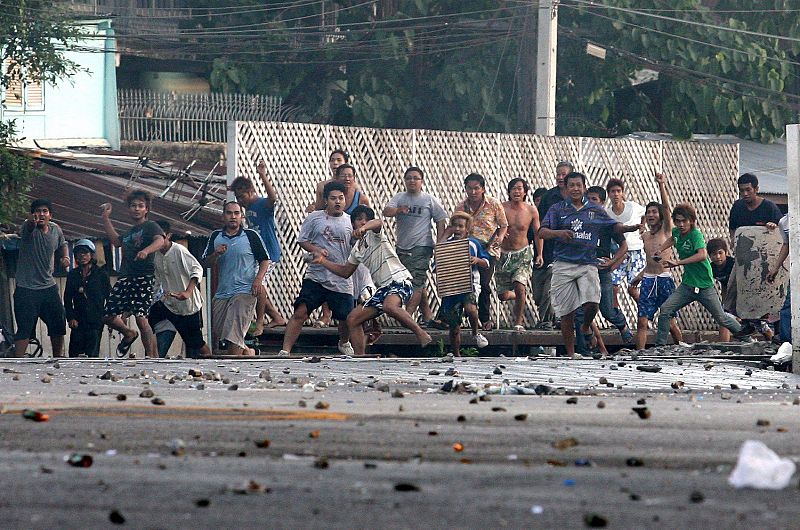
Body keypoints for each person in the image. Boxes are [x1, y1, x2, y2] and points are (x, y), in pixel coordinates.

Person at [539, 172, 641, 358]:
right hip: (563, 263)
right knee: (566, 312)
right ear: (567, 188)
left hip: (588, 263)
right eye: (572, 185)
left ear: (584, 187)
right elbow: (542, 232)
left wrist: (629, 228)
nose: (575, 189)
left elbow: (614, 227)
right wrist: (558, 233)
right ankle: (571, 354)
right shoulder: (557, 209)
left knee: (593, 303)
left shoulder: (595, 210)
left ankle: (586, 327)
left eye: (579, 185)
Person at [311, 205, 432, 355]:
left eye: (366, 219)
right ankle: (359, 356)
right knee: (353, 319)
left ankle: (421, 334)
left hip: (399, 280)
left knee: (390, 306)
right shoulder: (356, 250)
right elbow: (345, 271)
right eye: (359, 219)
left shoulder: (375, 235)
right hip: (383, 289)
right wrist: (323, 261)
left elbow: (378, 222)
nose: (363, 222)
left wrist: (365, 228)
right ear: (353, 223)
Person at [654, 203, 753, 346]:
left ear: (691, 221)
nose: (681, 224)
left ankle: (747, 338)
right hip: (688, 285)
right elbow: (672, 239)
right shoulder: (676, 232)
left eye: (684, 221)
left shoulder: (696, 235)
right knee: (665, 310)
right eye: (678, 221)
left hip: (704, 286)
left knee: (721, 318)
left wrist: (678, 262)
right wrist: (660, 249)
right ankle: (660, 346)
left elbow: (702, 254)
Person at [279, 181, 354, 357]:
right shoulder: (314, 217)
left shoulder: (350, 221)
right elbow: (302, 240)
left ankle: (344, 342)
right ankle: (285, 350)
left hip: (341, 276)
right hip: (316, 275)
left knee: (345, 317)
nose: (337, 202)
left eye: (341, 198)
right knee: (301, 311)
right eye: (333, 198)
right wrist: (315, 250)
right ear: (326, 200)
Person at [101, 190, 165, 358]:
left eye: (140, 206)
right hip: (126, 277)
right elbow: (116, 242)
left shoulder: (151, 226)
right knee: (108, 314)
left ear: (146, 209)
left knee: (141, 318)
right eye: (133, 206)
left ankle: (151, 357)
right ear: (129, 209)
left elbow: (160, 240)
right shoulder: (130, 232)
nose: (137, 209)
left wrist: (146, 250)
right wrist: (106, 218)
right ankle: (129, 333)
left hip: (143, 277)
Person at [202, 201, 270, 356]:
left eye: (236, 213)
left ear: (242, 216)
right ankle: (249, 352)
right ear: (223, 216)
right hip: (223, 292)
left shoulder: (251, 235)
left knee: (234, 335)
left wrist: (258, 279)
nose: (233, 216)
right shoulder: (216, 236)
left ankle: (232, 367)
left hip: (245, 291)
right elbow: (205, 263)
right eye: (229, 213)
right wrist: (216, 254)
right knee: (223, 332)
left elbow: (265, 260)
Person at [382, 166, 448, 325]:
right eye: (409, 178)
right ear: (405, 181)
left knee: (416, 282)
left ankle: (407, 316)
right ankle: (427, 316)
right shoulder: (400, 197)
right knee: (409, 280)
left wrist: (439, 243)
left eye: (416, 178)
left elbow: (440, 219)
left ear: (422, 181)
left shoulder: (428, 199)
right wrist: (398, 210)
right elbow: (386, 211)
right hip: (402, 246)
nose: (412, 181)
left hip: (422, 246)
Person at [573, 186, 634, 355]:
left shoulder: (607, 223)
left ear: (602, 202)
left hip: (602, 270)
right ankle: (585, 349)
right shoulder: (579, 221)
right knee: (580, 312)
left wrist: (612, 262)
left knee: (607, 310)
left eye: (594, 200)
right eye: (588, 199)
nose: (590, 203)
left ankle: (621, 324)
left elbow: (624, 246)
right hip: (584, 269)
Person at [230, 160, 287, 336]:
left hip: (269, 254)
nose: (240, 201)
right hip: (257, 254)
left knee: (258, 284)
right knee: (254, 285)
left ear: (251, 191)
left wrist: (262, 174)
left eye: (242, 197)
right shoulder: (246, 209)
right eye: (238, 198)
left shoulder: (261, 204)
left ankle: (260, 321)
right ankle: (277, 317)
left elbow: (273, 198)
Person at [630, 173, 683, 349]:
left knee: (670, 321)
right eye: (648, 212)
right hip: (648, 279)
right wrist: (639, 276)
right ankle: (640, 353)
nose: (651, 214)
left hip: (664, 279)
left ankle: (681, 346)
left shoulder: (667, 231)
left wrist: (661, 185)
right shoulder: (645, 236)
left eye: (654, 212)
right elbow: (649, 262)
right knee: (642, 320)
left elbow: (667, 209)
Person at [12, 199, 70, 357]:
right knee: (24, 327)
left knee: (58, 322)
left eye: (44, 211)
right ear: (32, 214)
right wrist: (32, 220)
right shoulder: (28, 227)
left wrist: (65, 257)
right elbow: (29, 225)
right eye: (37, 211)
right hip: (26, 288)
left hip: (48, 287)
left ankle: (58, 358)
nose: (41, 214)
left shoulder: (55, 229)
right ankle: (18, 360)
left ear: (50, 215)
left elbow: (63, 243)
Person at [727, 173, 782, 336]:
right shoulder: (737, 207)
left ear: (756, 189)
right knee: (733, 291)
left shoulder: (770, 207)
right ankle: (746, 322)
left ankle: (772, 328)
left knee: (767, 294)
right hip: (744, 259)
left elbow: (781, 233)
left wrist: (772, 227)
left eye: (748, 190)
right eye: (742, 190)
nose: (745, 194)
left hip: (765, 260)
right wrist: (733, 241)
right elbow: (733, 229)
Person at [150, 221, 212, 358]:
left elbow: (197, 269)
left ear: (168, 236)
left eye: (161, 238)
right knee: (150, 321)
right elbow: (157, 279)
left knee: (195, 342)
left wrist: (188, 292)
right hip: (169, 303)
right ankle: (156, 357)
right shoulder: (156, 255)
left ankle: (209, 360)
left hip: (188, 307)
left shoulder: (178, 250)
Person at [454, 173, 508, 331]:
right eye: (469, 188)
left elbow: (503, 225)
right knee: (463, 282)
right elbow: (455, 226)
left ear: (483, 189)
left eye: (476, 188)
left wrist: (500, 238)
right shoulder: (462, 206)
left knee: (484, 282)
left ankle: (485, 318)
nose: (473, 192)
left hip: (488, 248)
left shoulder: (493, 204)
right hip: (468, 248)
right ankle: (450, 317)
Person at [437, 212, 491, 356]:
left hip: (470, 283)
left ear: (467, 229)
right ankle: (456, 355)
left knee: (471, 308)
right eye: (454, 226)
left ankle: (475, 333)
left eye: (461, 226)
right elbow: (437, 264)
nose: (457, 229)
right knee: (454, 327)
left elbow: (486, 262)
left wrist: (476, 260)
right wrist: (443, 237)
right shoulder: (445, 245)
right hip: (451, 287)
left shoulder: (473, 244)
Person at [498, 178, 542, 331]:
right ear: (509, 192)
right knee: (502, 295)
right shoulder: (501, 208)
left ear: (525, 192)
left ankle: (518, 322)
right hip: (504, 255)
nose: (516, 191)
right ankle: (518, 295)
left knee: (520, 284)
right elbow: (492, 226)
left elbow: (537, 233)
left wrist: (539, 254)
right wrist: (500, 233)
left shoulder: (531, 210)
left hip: (523, 253)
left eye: (519, 188)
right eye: (513, 189)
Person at [532, 161, 572, 329]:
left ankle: (548, 321)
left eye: (564, 174)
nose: (560, 177)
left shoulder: (578, 197)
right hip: (548, 248)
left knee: (553, 287)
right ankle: (553, 317)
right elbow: (540, 226)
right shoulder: (549, 197)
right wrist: (540, 252)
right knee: (538, 293)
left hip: (569, 252)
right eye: (558, 174)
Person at [64, 239, 110, 357]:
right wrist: (70, 317)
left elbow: (109, 295)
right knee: (74, 354)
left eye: (85, 253)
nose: (82, 256)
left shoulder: (100, 274)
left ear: (91, 255)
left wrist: (107, 315)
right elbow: (67, 299)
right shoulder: (73, 275)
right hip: (78, 320)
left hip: (95, 319)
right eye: (79, 253)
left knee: (92, 355)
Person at [606, 178, 646, 306]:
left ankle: (646, 313)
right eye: (613, 191)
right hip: (619, 254)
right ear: (609, 194)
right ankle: (617, 318)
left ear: (622, 193)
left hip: (635, 252)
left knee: (633, 288)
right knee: (612, 285)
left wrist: (642, 226)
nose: (616, 194)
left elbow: (645, 213)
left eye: (618, 191)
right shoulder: (608, 213)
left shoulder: (633, 207)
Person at [767, 213, 790, 343]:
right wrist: (775, 268)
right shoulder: (784, 222)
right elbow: (787, 245)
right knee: (788, 305)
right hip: (797, 271)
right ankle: (787, 342)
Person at [708, 238, 735, 341]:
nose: (718, 257)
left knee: (759, 324)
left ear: (726, 252)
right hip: (729, 295)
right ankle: (724, 346)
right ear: (710, 256)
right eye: (714, 254)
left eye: (720, 253)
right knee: (724, 319)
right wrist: (724, 302)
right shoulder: (712, 268)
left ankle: (770, 341)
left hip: (743, 294)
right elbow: (724, 284)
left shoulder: (733, 264)